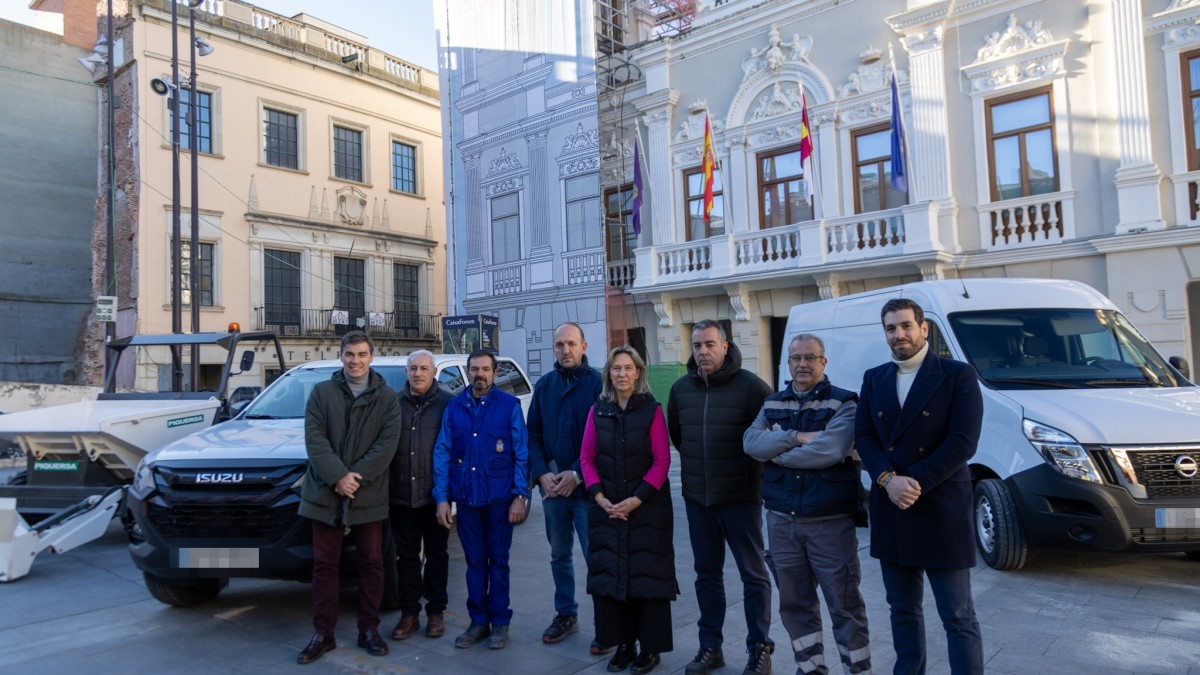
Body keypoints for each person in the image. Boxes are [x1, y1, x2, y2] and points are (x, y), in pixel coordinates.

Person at [854, 298, 984, 675]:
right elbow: (864, 436)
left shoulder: (957, 375)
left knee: (958, 615)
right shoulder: (874, 378)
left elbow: (963, 442)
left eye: (906, 326)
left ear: (924, 329)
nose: (899, 335)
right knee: (902, 609)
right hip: (891, 506)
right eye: (891, 328)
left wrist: (914, 482)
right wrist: (887, 480)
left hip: (941, 507)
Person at [744, 334, 871, 675]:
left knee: (844, 605)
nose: (802, 364)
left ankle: (858, 670)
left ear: (823, 362)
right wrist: (795, 437)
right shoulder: (772, 403)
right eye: (795, 358)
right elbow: (750, 443)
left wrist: (776, 454)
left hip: (830, 523)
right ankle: (811, 667)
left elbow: (829, 450)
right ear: (787, 362)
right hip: (782, 522)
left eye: (810, 358)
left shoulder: (844, 403)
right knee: (795, 603)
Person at [667, 319, 776, 675]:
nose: (702, 352)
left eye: (710, 345)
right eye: (697, 345)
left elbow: (770, 440)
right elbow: (678, 438)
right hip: (699, 502)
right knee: (706, 576)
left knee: (754, 576)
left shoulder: (752, 388)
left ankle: (759, 649)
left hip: (741, 500)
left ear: (725, 346)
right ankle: (710, 647)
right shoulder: (681, 389)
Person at [296, 331, 402, 665]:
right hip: (324, 494)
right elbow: (315, 440)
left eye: (361, 354)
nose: (355, 360)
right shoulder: (321, 393)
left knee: (372, 562)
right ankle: (322, 634)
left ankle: (368, 629)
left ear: (372, 356)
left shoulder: (387, 398)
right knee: (324, 565)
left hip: (369, 495)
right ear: (340, 356)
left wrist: (354, 479)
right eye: (349, 354)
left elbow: (386, 446)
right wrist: (338, 477)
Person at [580, 346, 677, 674]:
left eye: (628, 368)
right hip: (607, 510)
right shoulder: (598, 411)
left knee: (646, 580)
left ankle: (650, 648)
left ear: (638, 373)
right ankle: (623, 644)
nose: (621, 374)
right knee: (612, 579)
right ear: (609, 373)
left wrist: (637, 499)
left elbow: (662, 460)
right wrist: (598, 496)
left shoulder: (652, 410)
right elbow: (587, 459)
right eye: (616, 368)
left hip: (646, 511)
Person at [432, 350, 530, 651]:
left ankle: (500, 622)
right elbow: (443, 452)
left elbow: (522, 454)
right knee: (475, 562)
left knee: (498, 561)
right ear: (468, 371)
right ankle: (478, 621)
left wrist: (520, 496)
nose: (480, 375)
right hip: (469, 500)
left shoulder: (509, 406)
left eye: (485, 369)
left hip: (500, 500)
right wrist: (442, 498)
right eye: (475, 369)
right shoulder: (455, 407)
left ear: (495, 372)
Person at [527, 322, 605, 649]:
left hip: (587, 490)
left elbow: (604, 434)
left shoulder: (599, 384)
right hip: (553, 491)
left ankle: (608, 622)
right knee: (559, 555)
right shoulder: (544, 386)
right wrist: (542, 474)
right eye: (559, 345)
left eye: (571, 344)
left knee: (595, 557)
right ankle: (566, 614)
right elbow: (533, 435)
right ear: (553, 349)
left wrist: (577, 474)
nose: (565, 350)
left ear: (584, 346)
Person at [387, 350, 453, 641]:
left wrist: (446, 495)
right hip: (401, 496)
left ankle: (436, 613)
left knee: (438, 557)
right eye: (413, 368)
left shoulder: (448, 403)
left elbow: (455, 450)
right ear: (406, 371)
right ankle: (409, 613)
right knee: (407, 558)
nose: (418, 373)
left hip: (434, 497)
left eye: (424, 368)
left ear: (434, 372)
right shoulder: (392, 403)